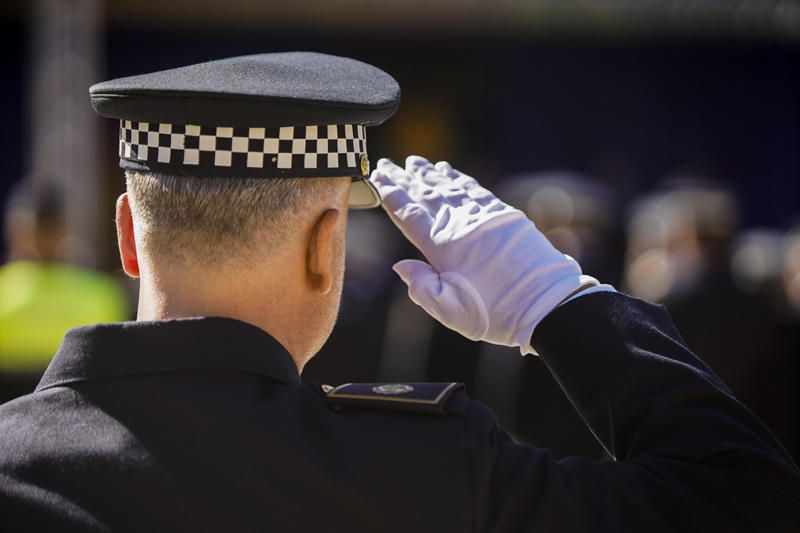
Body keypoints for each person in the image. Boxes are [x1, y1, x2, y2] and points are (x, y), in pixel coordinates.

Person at [0, 52, 798, 532]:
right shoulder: (426, 469)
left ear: (126, 237)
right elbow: (745, 498)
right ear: (327, 248)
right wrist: (559, 301)